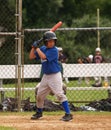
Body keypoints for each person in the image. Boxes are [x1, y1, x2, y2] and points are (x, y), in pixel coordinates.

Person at [29, 31, 73, 121]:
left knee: (59, 94)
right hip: (46, 76)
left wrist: (37, 48)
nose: (52, 43)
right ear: (45, 42)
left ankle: (68, 114)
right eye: (50, 41)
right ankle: (39, 112)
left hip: (55, 75)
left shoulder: (54, 50)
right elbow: (31, 57)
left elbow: (44, 57)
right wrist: (33, 48)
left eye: (53, 41)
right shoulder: (42, 48)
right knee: (39, 95)